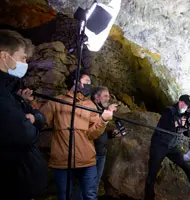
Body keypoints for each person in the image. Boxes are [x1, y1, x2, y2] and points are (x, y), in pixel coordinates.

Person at [39, 71, 114, 200]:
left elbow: (92, 134)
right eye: (87, 82)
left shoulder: (90, 105)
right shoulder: (57, 102)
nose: (90, 85)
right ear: (76, 82)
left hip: (87, 160)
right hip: (62, 161)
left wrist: (103, 120)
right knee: (64, 196)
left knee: (90, 196)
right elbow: (40, 121)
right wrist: (31, 106)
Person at [0, 29, 48, 199]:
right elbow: (24, 134)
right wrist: (32, 122)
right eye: (22, 58)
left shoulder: (11, 90)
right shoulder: (3, 94)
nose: (25, 63)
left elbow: (40, 119)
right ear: (5, 56)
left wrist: (33, 118)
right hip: (13, 187)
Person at [144, 94, 190, 200]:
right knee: (152, 172)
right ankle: (149, 197)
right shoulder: (169, 111)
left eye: (188, 106)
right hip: (159, 145)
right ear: (180, 102)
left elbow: (187, 135)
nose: (187, 107)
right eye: (186, 105)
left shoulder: (187, 114)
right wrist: (183, 125)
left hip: (173, 147)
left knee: (188, 167)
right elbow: (173, 125)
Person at [74, 86, 120, 199]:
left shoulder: (100, 110)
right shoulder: (90, 108)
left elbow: (99, 132)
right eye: (105, 96)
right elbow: (90, 132)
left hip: (100, 154)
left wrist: (111, 134)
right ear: (96, 97)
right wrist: (108, 112)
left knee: (94, 184)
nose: (108, 98)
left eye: (108, 96)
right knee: (85, 186)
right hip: (91, 155)